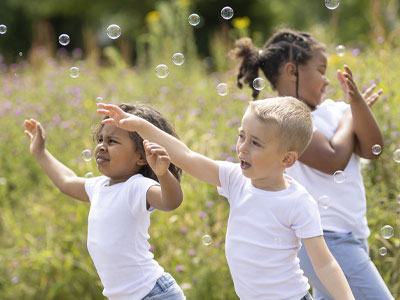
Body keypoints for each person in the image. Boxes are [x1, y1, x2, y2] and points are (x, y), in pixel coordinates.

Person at [97, 97, 355, 300]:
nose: (242, 147)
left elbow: (325, 263)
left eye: (256, 143)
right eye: (242, 135)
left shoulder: (297, 202)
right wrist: (140, 126)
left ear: (286, 159)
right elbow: (186, 156)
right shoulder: (235, 180)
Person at [230, 28, 394, 300]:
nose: (327, 81)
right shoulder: (283, 124)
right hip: (323, 239)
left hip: (352, 234)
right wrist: (351, 117)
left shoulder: (335, 111)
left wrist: (357, 106)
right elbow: (333, 160)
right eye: (320, 70)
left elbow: (372, 149)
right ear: (292, 72)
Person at [24, 103, 186, 300]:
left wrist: (163, 174)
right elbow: (66, 181)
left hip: (153, 294)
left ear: (142, 157)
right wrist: (40, 153)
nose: (101, 146)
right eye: (100, 139)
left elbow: (171, 201)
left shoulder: (137, 187)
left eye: (112, 141)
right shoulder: (99, 187)